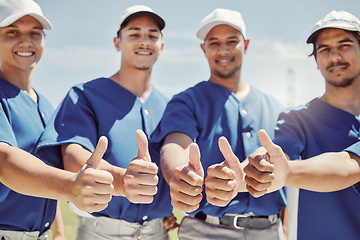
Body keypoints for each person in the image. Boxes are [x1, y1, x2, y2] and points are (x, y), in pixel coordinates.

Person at [35, 5, 176, 240]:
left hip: (158, 232)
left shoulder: (171, 106)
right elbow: (74, 159)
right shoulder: (85, 95)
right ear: (117, 42)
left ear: (162, 45)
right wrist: (123, 181)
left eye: (153, 35)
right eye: (134, 34)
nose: (144, 41)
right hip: (102, 233)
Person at [150, 8, 286, 240]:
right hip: (207, 231)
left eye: (232, 41)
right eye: (214, 43)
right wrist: (179, 175)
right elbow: (175, 145)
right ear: (204, 48)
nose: (223, 50)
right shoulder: (187, 101)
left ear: (246, 44)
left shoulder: (275, 106)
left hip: (271, 231)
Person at [0, 0, 114, 239]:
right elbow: (5, 161)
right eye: (12, 32)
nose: (26, 41)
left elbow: (46, 175)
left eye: (35, 33)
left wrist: (58, 231)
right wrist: (72, 186)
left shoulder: (45, 104)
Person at [244, 10, 360, 240]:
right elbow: (277, 156)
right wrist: (246, 173)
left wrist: (286, 173)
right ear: (316, 61)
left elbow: (349, 166)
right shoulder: (297, 119)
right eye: (324, 49)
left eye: (344, 45)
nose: (334, 56)